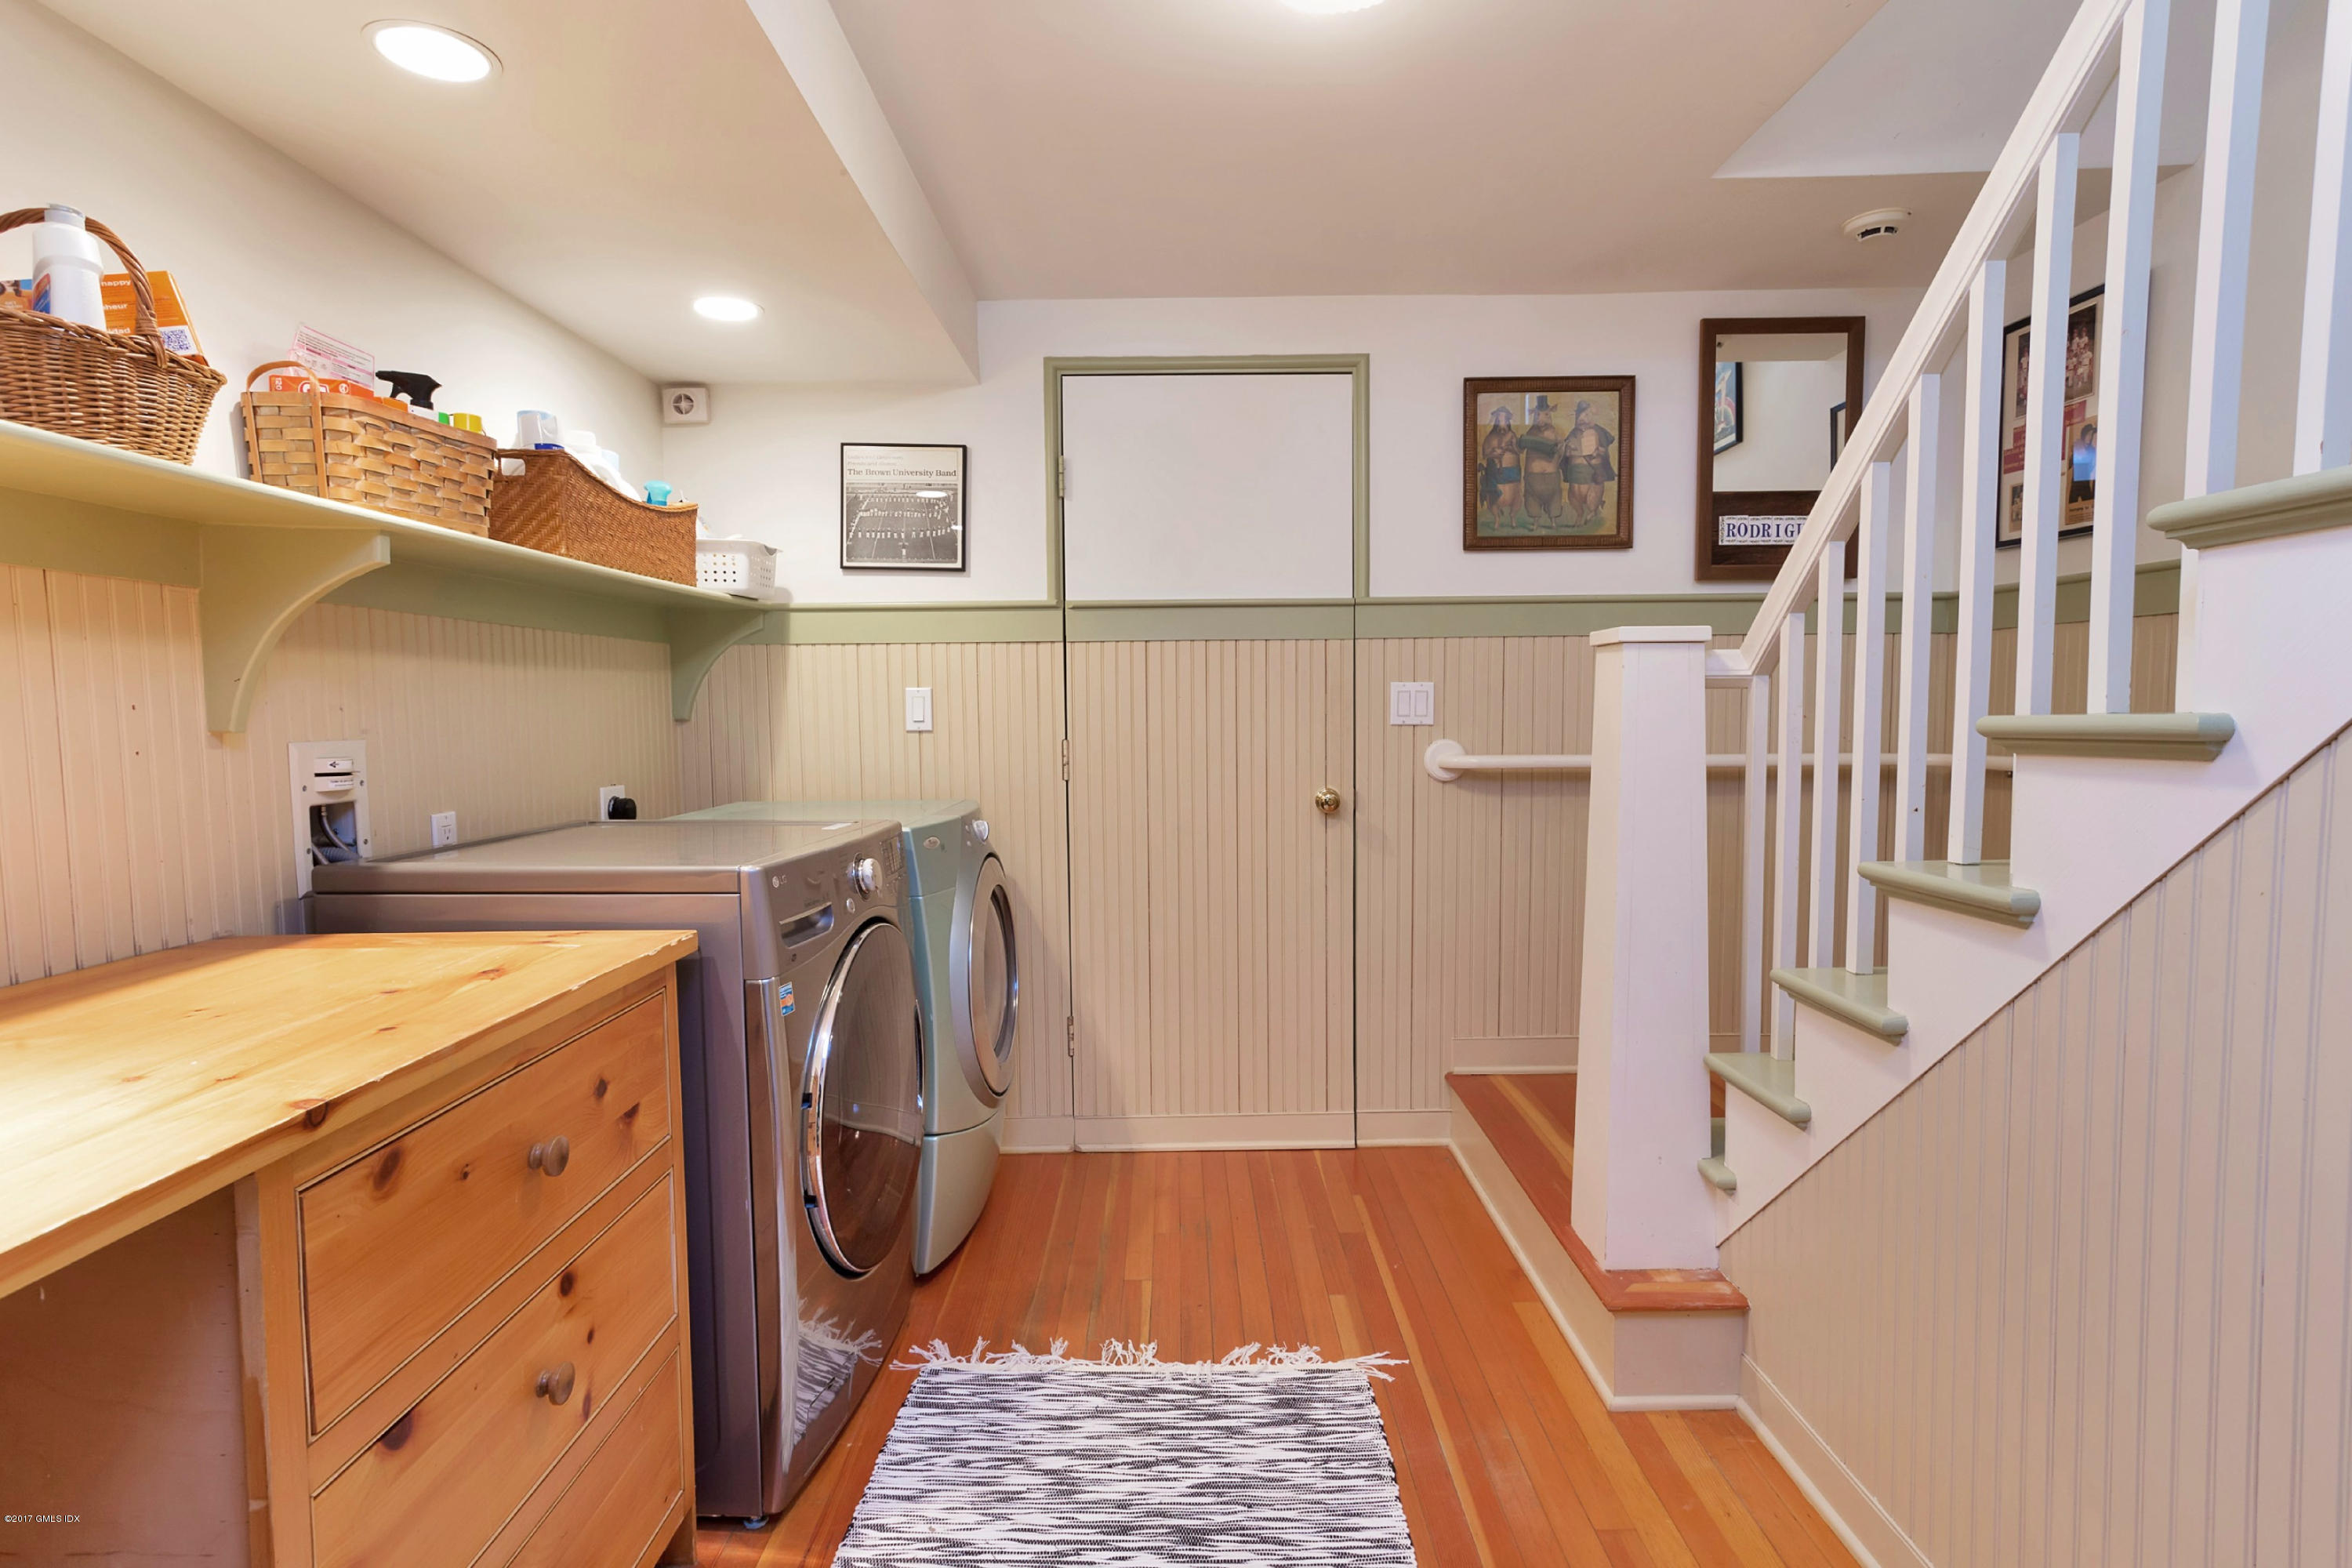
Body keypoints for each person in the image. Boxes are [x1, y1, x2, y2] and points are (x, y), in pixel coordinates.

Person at [1561, 399, 1617, 527]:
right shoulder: (1573, 433)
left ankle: (1593, 510)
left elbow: (1604, 449)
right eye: (1580, 416)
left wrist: (1598, 451)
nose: (1582, 419)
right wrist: (1568, 450)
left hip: (1592, 471)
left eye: (1586, 415)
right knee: (1574, 496)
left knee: (1593, 495)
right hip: (1575, 472)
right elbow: (1566, 452)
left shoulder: (1599, 431)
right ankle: (1579, 514)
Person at [1518, 397, 1567, 523]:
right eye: (1538, 415)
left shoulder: (1555, 432)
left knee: (1555, 496)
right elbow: (1521, 450)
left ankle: (1553, 521)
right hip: (1534, 476)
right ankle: (1535, 522)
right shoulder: (1531, 433)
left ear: (1550, 414)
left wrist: (1561, 448)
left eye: (1545, 414)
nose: (1541, 419)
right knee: (1532, 498)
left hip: (1551, 474)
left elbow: (1562, 451)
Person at [1480, 406, 1522, 524]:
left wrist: (1512, 446)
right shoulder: (1490, 437)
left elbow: (1519, 452)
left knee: (1515, 495)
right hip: (1496, 473)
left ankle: (1513, 517)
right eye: (1499, 419)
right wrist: (1494, 452)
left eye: (1504, 419)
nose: (1502, 422)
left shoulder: (1513, 435)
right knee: (1495, 496)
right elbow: (1485, 454)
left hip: (1512, 472)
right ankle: (1497, 519)